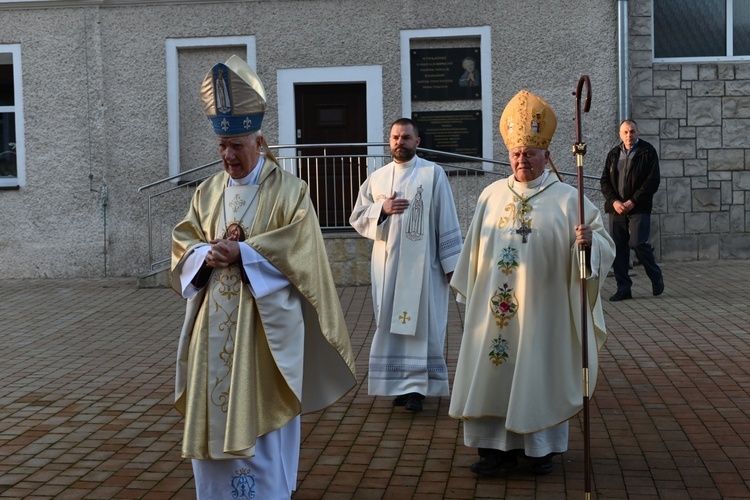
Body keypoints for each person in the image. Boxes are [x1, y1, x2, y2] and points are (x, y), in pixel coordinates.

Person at [171, 55, 356, 499]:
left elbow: (303, 253)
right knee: (214, 425)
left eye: (236, 145)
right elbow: (183, 244)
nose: (228, 156)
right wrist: (203, 254)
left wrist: (245, 253)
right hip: (212, 331)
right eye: (221, 146)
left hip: (264, 335)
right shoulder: (208, 191)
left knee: (262, 426)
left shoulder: (291, 191)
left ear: (260, 140)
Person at [449, 90, 616, 476]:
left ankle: (539, 450)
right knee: (492, 372)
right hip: (493, 314)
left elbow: (601, 245)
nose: (522, 160)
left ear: (545, 156)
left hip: (544, 311)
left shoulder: (567, 199)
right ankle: (492, 451)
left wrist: (589, 246)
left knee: (537, 372)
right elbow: (474, 253)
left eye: (529, 153)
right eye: (516, 153)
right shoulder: (490, 196)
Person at [349, 118, 462, 412]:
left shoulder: (433, 174)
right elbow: (358, 217)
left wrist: (452, 265)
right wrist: (381, 209)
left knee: (423, 326)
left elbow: (447, 218)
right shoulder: (377, 178)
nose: (400, 142)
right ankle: (398, 385)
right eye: (396, 137)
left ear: (418, 141)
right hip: (387, 268)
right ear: (389, 141)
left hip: (424, 271)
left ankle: (417, 388)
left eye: (407, 137)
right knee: (390, 325)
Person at [600, 119, 664, 301]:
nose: (629, 135)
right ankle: (623, 288)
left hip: (638, 207)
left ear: (638, 132)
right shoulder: (613, 154)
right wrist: (614, 201)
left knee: (637, 243)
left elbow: (652, 180)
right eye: (626, 132)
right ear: (620, 135)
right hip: (617, 209)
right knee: (619, 248)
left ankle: (655, 275)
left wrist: (633, 201)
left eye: (632, 131)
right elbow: (605, 181)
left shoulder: (647, 151)